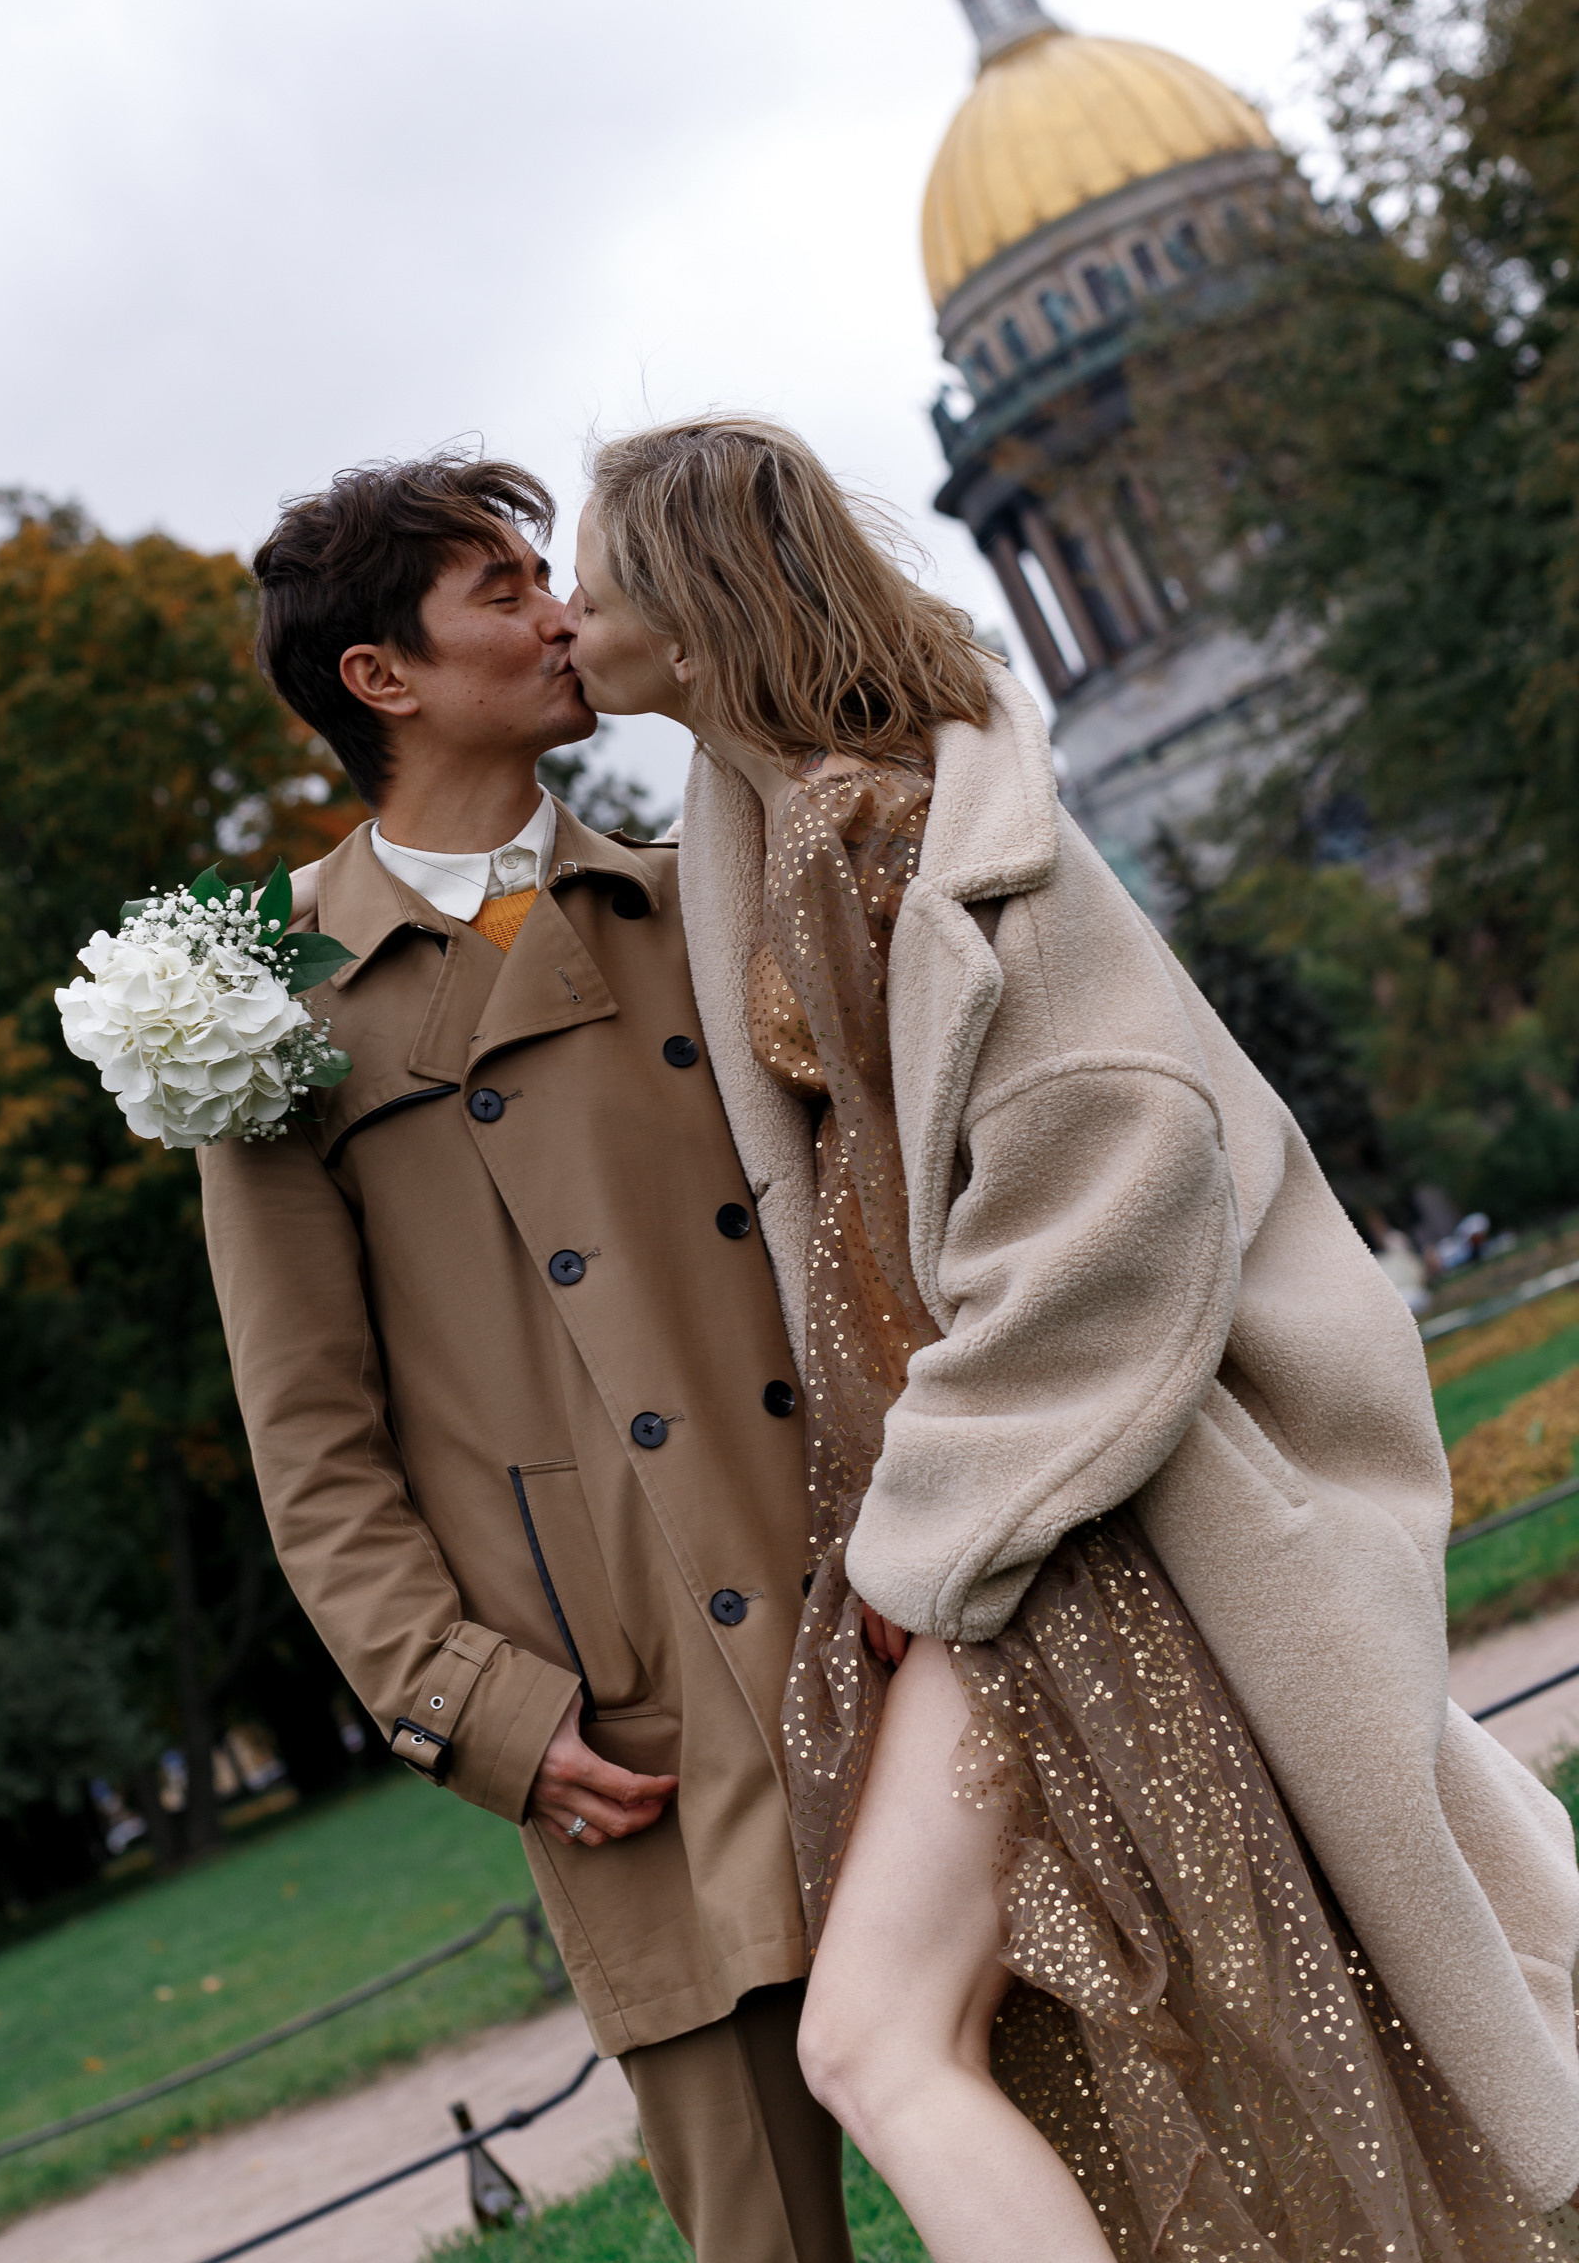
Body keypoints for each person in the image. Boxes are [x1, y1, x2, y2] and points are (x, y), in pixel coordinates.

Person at [563, 412, 1579, 2263]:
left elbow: (1113, 1180)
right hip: (986, 1534)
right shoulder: (779, 818)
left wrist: (922, 1531)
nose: (564, 611)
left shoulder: (876, 834)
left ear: (685, 606)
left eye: (591, 571)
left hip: (1033, 1543)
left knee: (887, 2040)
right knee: (1070, 2031)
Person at [197, 453, 853, 2263]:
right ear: (380, 677)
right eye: (502, 590)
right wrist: (479, 1709)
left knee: (1071, 2155)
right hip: (617, 1709)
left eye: (548, 575)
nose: (563, 615)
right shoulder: (269, 1014)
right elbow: (309, 1436)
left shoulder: (691, 893)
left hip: (867, 1610)